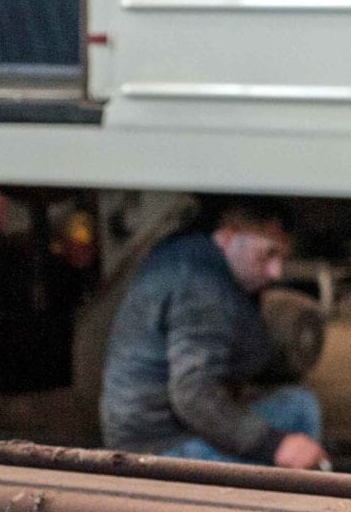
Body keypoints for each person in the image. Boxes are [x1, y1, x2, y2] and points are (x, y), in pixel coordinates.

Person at [100, 198, 329, 470]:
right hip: (161, 448)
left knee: (296, 404)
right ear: (226, 238)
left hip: (148, 432)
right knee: (299, 412)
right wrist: (275, 445)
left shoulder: (192, 257)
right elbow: (193, 394)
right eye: (268, 254)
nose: (275, 272)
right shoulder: (202, 288)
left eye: (281, 258)